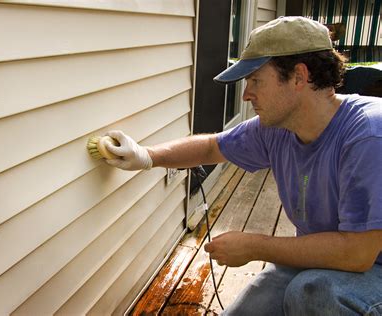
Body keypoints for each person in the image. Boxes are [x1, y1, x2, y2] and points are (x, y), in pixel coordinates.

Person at [103, 16, 382, 315]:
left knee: (313, 293)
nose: (247, 94)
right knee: (254, 305)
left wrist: (254, 246)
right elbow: (212, 146)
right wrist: (146, 156)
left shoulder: (368, 134)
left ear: (299, 77)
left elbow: (357, 253)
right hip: (329, 261)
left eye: (256, 80)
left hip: (367, 265)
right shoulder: (277, 128)